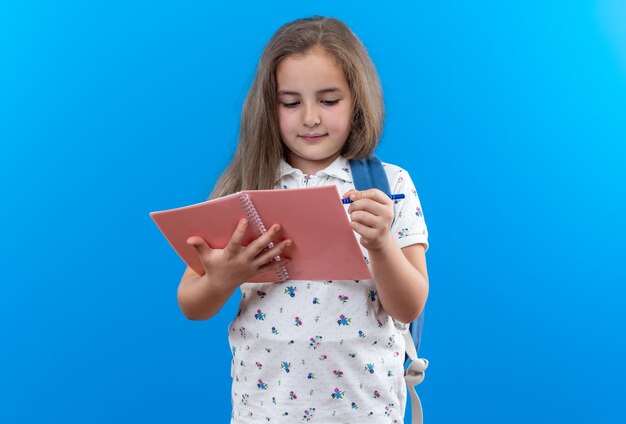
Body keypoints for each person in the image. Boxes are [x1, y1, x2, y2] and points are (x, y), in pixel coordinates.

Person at [177, 16, 430, 423]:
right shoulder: (246, 187)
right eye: (291, 102)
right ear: (267, 104)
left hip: (364, 410)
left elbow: (410, 304)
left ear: (357, 101)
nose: (310, 117)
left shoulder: (388, 185)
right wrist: (224, 277)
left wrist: (381, 243)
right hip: (264, 410)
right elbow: (190, 302)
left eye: (329, 101)